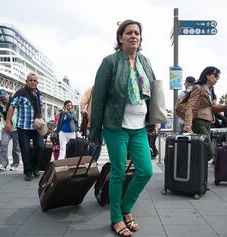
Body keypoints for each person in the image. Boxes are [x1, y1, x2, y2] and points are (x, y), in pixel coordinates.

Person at [90, 19, 156, 237]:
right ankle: (116, 218)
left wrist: (154, 118)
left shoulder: (145, 62)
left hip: (139, 127)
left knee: (145, 171)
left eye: (137, 32)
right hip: (116, 126)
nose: (134, 36)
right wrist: (94, 132)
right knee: (118, 172)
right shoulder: (110, 62)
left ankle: (126, 208)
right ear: (120, 38)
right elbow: (98, 99)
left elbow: (153, 92)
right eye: (129, 33)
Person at [183, 67, 227, 187]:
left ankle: (196, 178)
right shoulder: (198, 87)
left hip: (207, 122)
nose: (217, 79)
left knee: (201, 152)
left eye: (218, 77)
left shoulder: (210, 90)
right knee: (209, 152)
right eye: (215, 76)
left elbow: (212, 108)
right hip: (199, 122)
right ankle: (191, 172)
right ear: (207, 75)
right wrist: (188, 124)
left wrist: (226, 107)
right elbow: (190, 106)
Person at [5, 72, 44, 181]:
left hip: (37, 127)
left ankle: (35, 166)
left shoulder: (40, 94)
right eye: (30, 80)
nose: (32, 82)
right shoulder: (20, 93)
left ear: (37, 82)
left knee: (40, 147)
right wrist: (8, 121)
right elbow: (12, 107)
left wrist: (42, 120)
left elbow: (40, 109)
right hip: (23, 127)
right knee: (25, 149)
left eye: (35, 80)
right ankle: (28, 171)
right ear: (26, 81)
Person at [0, 89, 21, 171]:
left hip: (16, 129)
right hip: (6, 130)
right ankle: (2, 164)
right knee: (3, 145)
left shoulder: (15, 103)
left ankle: (15, 164)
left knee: (16, 148)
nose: (3, 99)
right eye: (1, 98)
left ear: (8, 95)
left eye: (4, 97)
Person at [80, 86, 102, 161]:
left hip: (103, 124)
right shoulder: (92, 89)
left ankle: (95, 162)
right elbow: (83, 101)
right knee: (93, 144)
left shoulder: (106, 89)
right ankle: (89, 162)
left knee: (99, 146)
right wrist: (83, 111)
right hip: (92, 123)